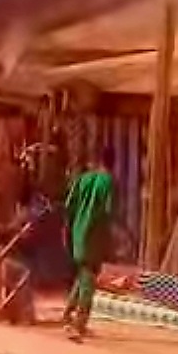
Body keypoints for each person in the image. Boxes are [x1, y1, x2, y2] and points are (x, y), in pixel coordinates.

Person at [62, 146, 116, 342]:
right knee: (89, 279)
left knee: (83, 275)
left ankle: (68, 314)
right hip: (94, 236)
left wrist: (69, 229)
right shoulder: (108, 181)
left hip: (77, 232)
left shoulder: (82, 179)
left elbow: (69, 205)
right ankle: (79, 323)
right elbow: (109, 211)